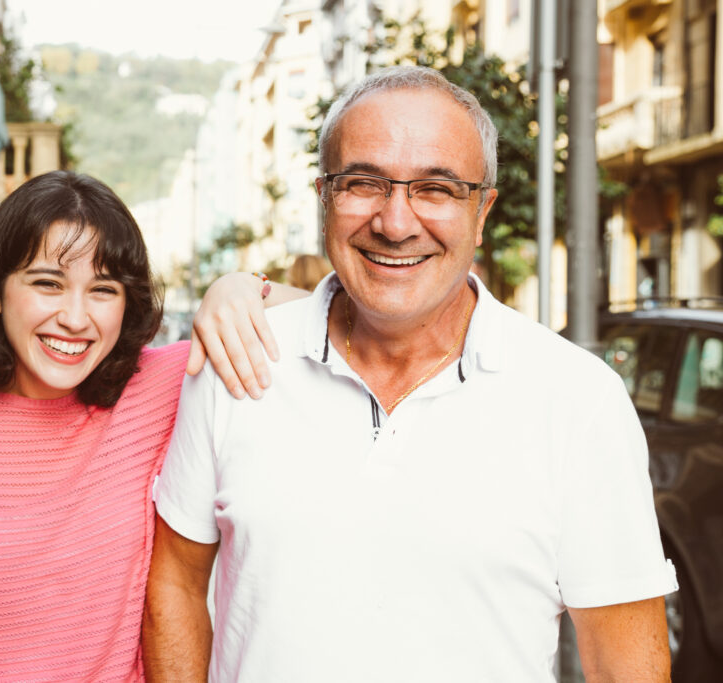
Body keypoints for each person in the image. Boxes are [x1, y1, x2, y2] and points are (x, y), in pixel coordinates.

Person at [143, 66, 678, 682]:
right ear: (324, 198)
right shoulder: (239, 358)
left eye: (436, 189)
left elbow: (626, 668)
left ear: (482, 211)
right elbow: (176, 586)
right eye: (363, 183)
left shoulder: (579, 402)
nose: (395, 223)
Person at [0, 170, 297, 682]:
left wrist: (238, 287)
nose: (76, 319)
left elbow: (333, 318)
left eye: (103, 290)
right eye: (47, 284)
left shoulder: (164, 386)